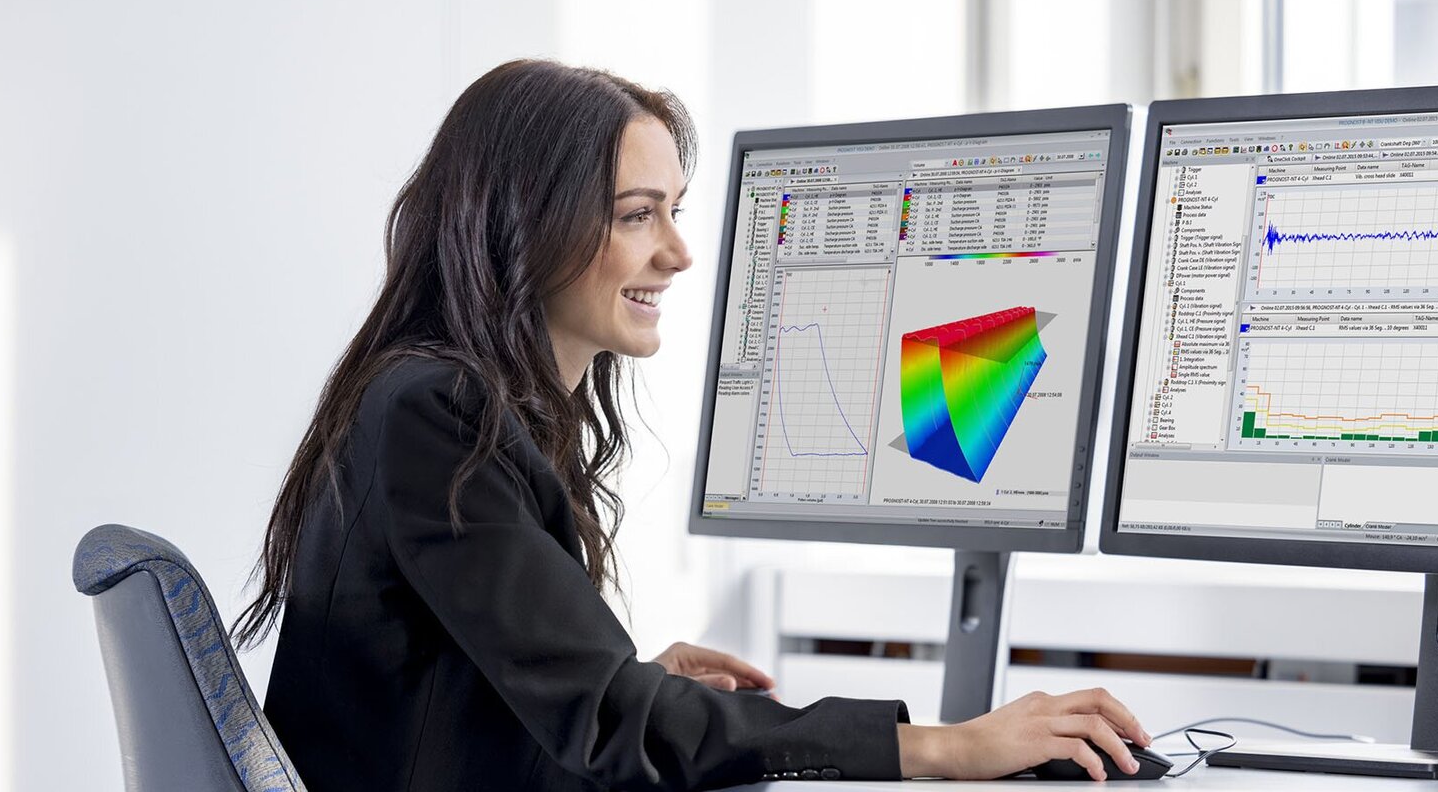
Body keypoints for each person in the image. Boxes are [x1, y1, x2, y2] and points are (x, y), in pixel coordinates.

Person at [235, 59, 1153, 791]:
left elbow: (525, 703)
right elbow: (606, 722)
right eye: (639, 216)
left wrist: (631, 684)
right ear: (529, 223)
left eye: (674, 212)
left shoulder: (452, 402)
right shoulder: (438, 412)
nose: (677, 253)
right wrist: (945, 746)